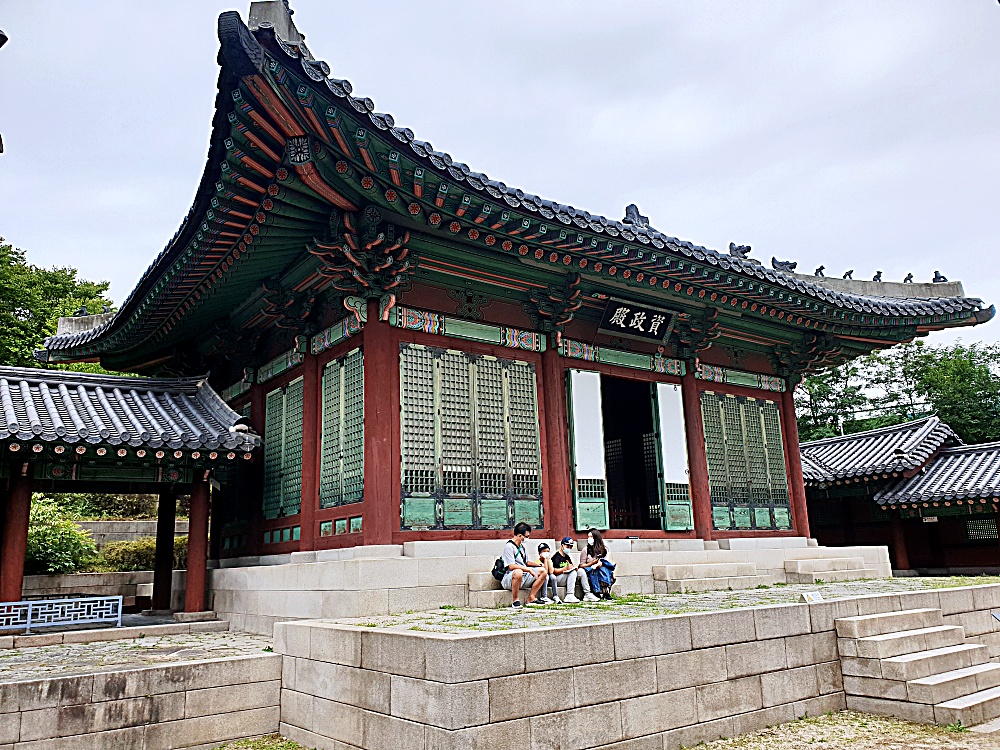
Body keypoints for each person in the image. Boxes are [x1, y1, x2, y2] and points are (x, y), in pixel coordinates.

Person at [501, 522, 548, 609]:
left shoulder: (522, 547)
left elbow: (526, 562)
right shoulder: (509, 546)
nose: (527, 538)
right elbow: (511, 566)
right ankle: (515, 600)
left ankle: (531, 598)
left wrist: (537, 565)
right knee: (518, 572)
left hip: (523, 575)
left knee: (543, 571)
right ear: (519, 536)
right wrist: (529, 569)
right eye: (526, 536)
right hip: (511, 577)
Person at [550, 536, 598, 603]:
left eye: (570, 547)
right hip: (558, 578)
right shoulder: (556, 557)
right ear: (562, 546)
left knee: (581, 571)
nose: (569, 548)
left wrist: (574, 568)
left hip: (567, 577)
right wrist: (565, 569)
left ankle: (587, 593)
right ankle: (569, 595)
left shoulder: (567, 557)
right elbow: (553, 571)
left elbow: (570, 567)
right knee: (573, 572)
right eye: (567, 546)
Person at [579, 528, 615, 600]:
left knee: (605, 569)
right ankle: (597, 591)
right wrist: (591, 563)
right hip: (589, 569)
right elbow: (581, 565)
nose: (589, 539)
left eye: (591, 537)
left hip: (600, 567)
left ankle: (605, 592)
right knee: (594, 571)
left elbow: (605, 561)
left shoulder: (604, 549)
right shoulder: (585, 550)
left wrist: (599, 564)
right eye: (588, 537)